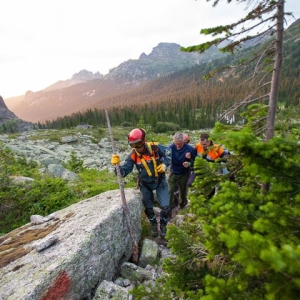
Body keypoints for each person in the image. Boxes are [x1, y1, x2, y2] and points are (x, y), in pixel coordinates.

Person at [111, 128, 171, 239]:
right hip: (146, 184)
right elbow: (124, 172)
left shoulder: (155, 147)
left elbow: (168, 154)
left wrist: (165, 165)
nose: (136, 148)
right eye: (132, 145)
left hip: (160, 181)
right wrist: (116, 166)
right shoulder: (133, 155)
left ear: (143, 140)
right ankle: (153, 224)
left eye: (138, 144)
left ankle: (163, 225)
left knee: (166, 207)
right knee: (148, 208)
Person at [188, 133, 230, 198]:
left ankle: (208, 199)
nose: (202, 146)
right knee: (190, 183)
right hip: (198, 168)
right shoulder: (198, 146)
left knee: (210, 190)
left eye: (204, 144)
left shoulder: (217, 148)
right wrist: (189, 156)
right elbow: (193, 155)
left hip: (211, 171)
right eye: (201, 144)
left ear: (209, 141)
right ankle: (197, 197)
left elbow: (225, 156)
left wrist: (227, 158)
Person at [168, 132, 196, 212]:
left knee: (183, 192)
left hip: (184, 173)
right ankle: (168, 209)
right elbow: (166, 158)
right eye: (176, 143)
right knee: (170, 190)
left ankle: (182, 206)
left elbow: (195, 161)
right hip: (173, 171)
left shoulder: (190, 149)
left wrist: (189, 162)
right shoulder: (171, 148)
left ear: (183, 141)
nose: (177, 146)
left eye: (179, 144)